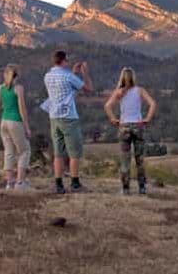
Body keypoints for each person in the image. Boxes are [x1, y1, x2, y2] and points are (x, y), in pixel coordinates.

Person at [43, 50, 92, 194]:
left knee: (58, 153)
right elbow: (88, 88)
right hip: (69, 117)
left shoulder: (48, 76)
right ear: (64, 60)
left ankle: (58, 184)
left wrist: (73, 73)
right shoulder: (68, 76)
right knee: (74, 153)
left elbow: (65, 89)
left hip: (54, 116)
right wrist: (85, 73)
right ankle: (75, 183)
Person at [103, 67, 157, 195]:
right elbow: (153, 104)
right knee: (140, 160)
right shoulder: (139, 90)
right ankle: (142, 188)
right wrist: (147, 119)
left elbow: (107, 106)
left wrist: (113, 119)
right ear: (133, 77)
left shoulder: (119, 92)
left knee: (125, 160)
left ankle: (125, 189)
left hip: (124, 126)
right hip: (138, 125)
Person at [0, 64, 31, 191]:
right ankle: (20, 182)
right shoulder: (18, 89)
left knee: (9, 151)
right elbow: (22, 110)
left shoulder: (0, 88)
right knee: (24, 151)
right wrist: (27, 127)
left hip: (4, 122)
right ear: (17, 75)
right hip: (15, 122)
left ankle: (9, 183)